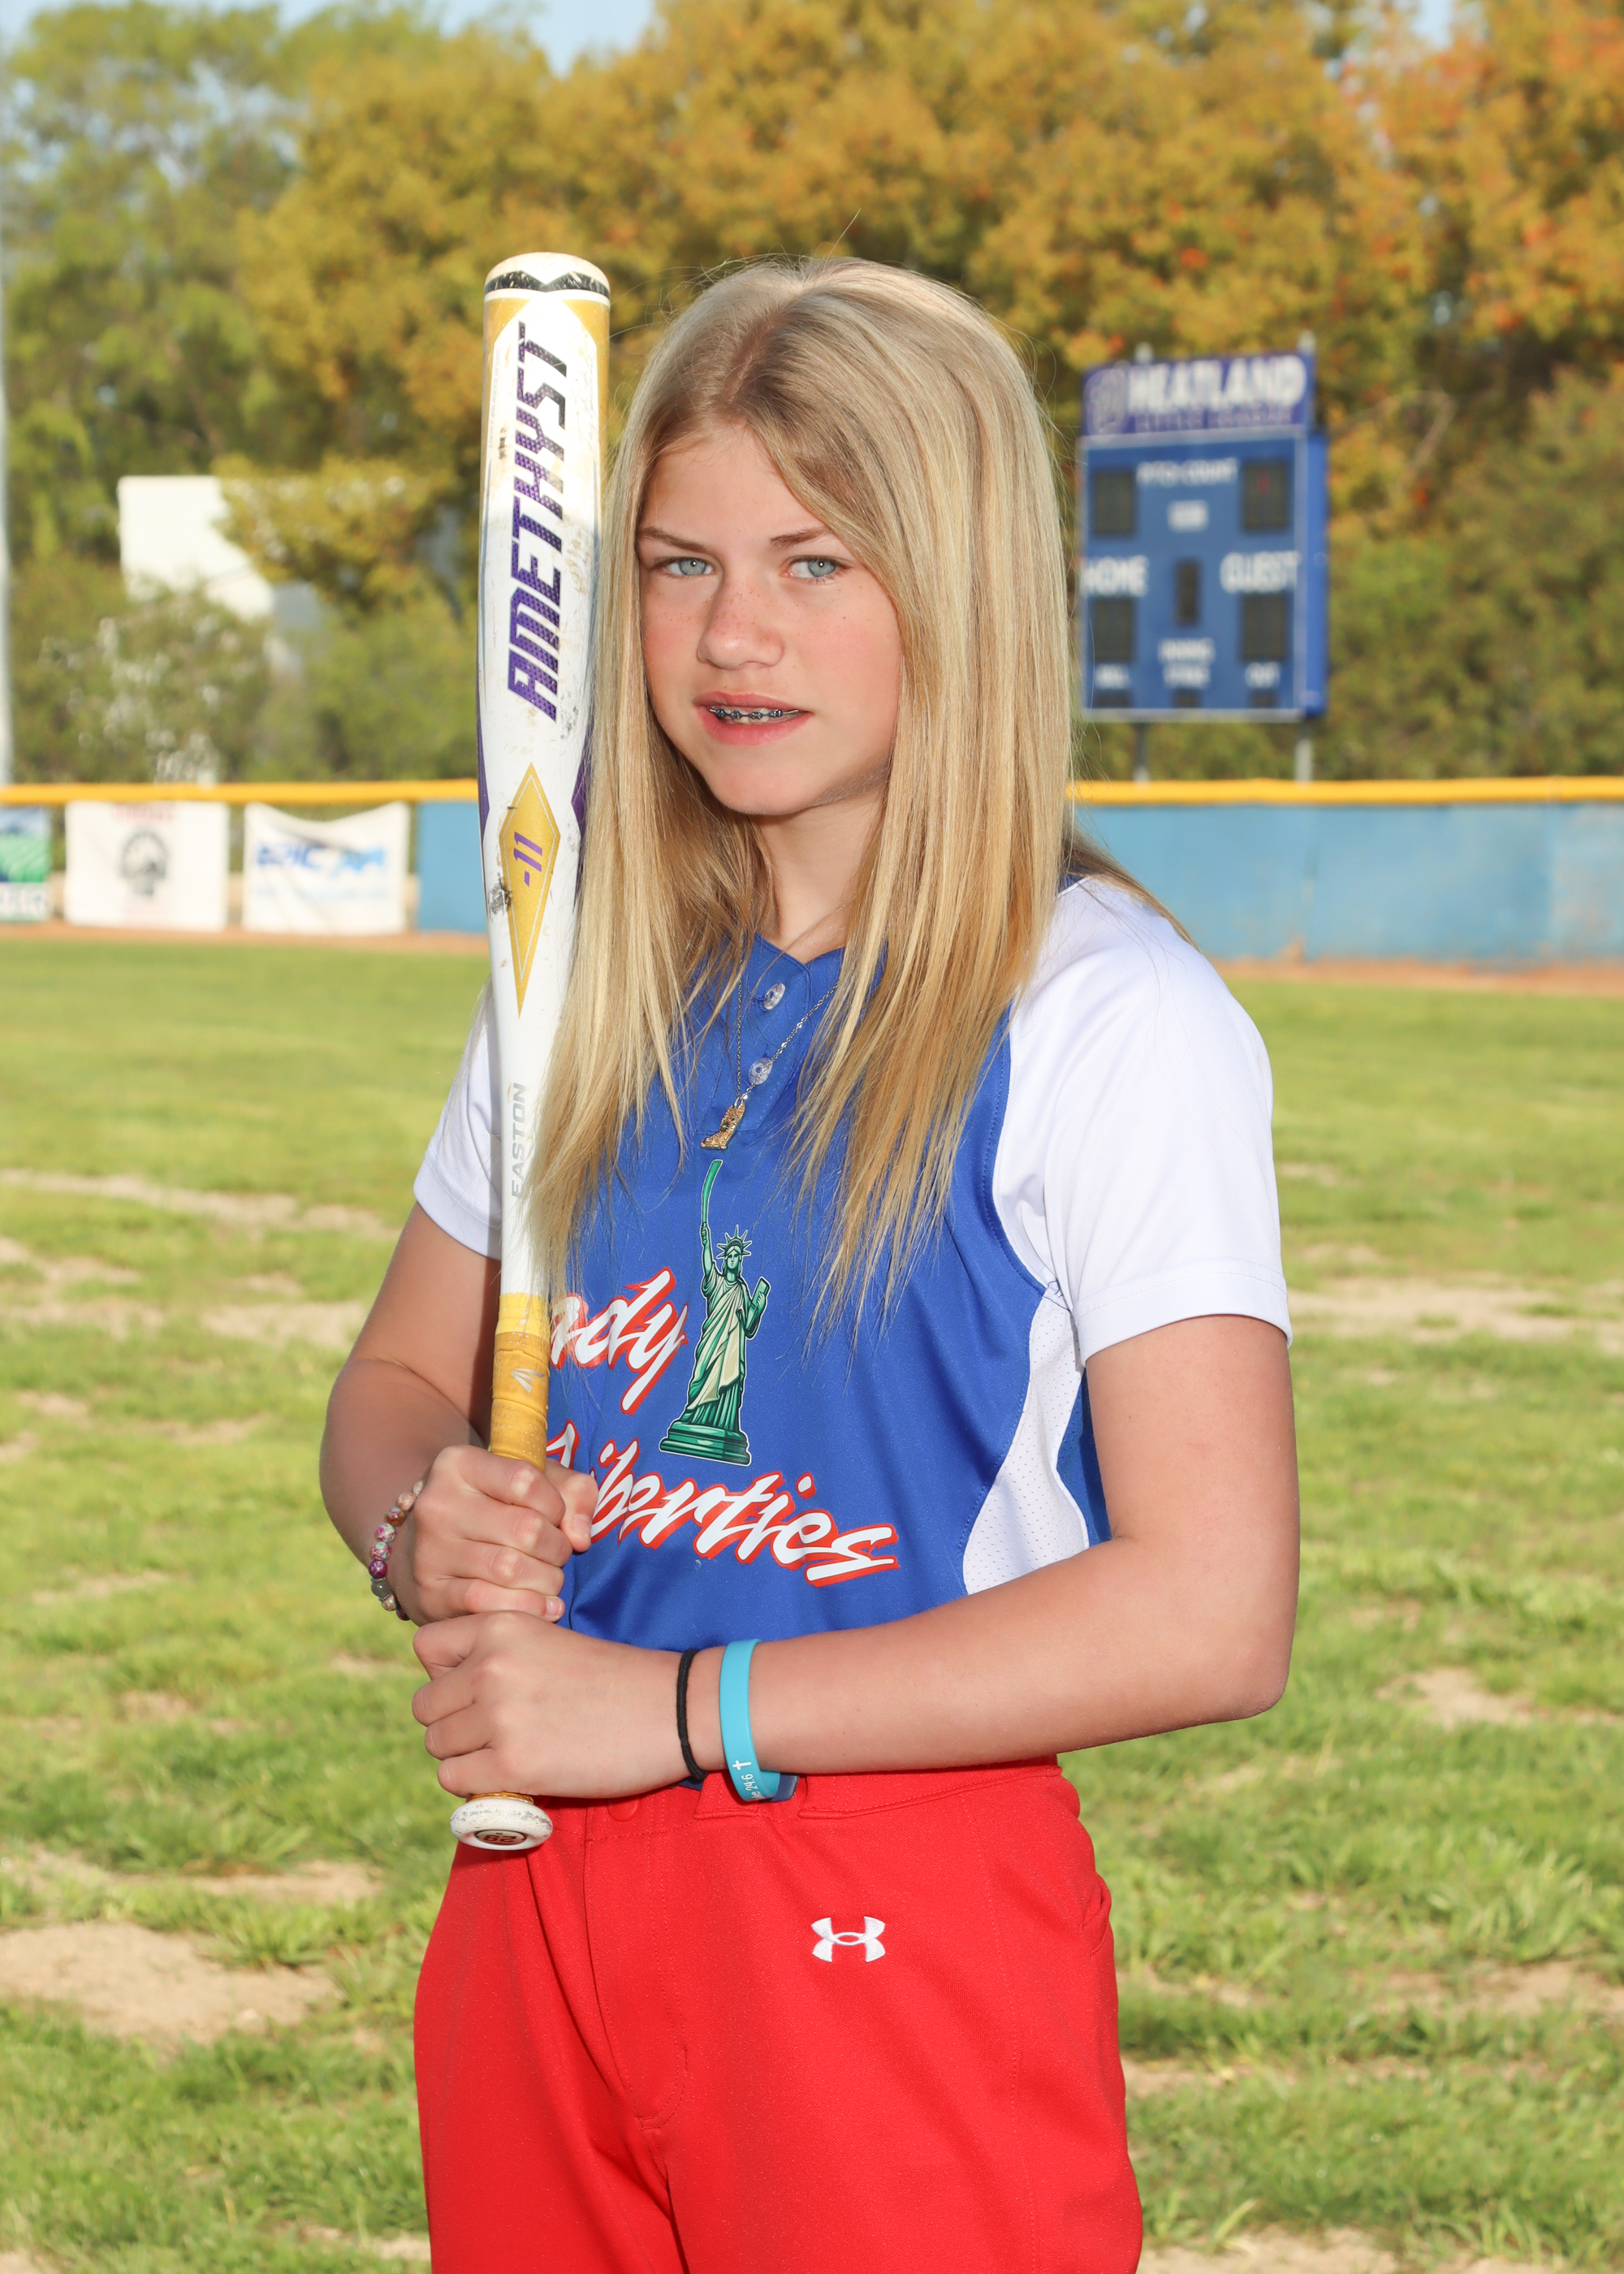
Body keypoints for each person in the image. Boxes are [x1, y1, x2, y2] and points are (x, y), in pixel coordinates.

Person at [321, 257, 1298, 2274]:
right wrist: (424, 1523)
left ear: (959, 586)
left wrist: (682, 1710)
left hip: (885, 1892)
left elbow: (1214, 1608)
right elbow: (393, 1390)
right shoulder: (580, 979)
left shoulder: (1103, 1013)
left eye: (815, 561)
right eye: (677, 564)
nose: (732, 633)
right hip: (534, 1876)